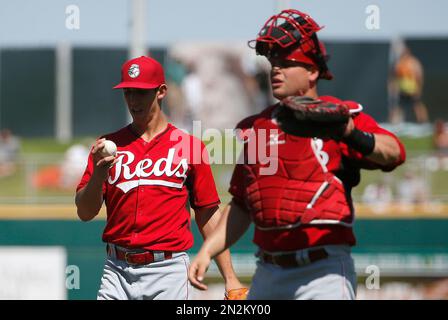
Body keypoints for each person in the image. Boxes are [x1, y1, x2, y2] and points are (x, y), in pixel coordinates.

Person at [188, 9, 406, 300]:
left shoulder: (338, 117)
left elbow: (394, 153)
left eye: (286, 63)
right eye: (272, 63)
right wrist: (206, 251)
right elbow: (241, 206)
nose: (276, 69)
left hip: (323, 272)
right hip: (268, 272)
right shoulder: (259, 127)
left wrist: (350, 133)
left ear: (313, 71)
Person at [75, 56, 246, 300]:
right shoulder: (107, 145)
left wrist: (230, 278)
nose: (133, 100)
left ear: (161, 91)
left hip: (167, 271)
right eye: (128, 92)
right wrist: (98, 175)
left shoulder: (189, 147)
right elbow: (85, 212)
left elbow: (208, 213)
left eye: (141, 93)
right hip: (117, 268)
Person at [389, 45, 428, 123]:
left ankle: (423, 122)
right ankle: (393, 123)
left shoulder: (413, 63)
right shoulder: (399, 63)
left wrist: (418, 88)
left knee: (417, 106)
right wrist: (394, 86)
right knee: (398, 107)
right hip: (402, 89)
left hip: (412, 89)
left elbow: (419, 75)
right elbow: (395, 76)